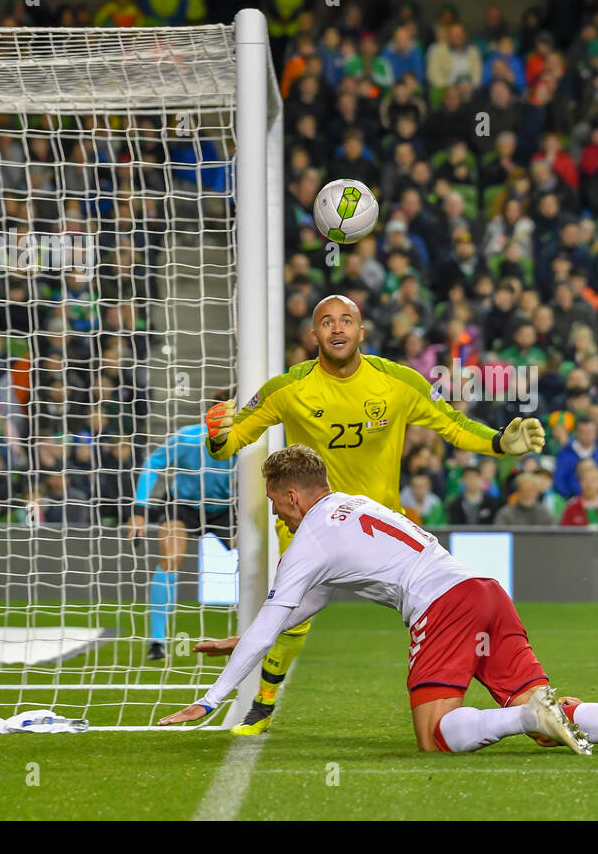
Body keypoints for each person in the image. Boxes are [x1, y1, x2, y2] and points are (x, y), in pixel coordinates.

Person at [158, 446, 598, 756]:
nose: (276, 512)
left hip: (443, 607)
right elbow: (310, 600)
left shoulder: (308, 537)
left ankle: (526, 714)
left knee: (434, 734)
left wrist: (210, 700)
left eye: (276, 503)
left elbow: (279, 612)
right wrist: (256, 633)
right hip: (487, 593)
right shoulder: (352, 505)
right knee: (550, 722)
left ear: (293, 495)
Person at [204, 295, 546, 734]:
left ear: (362, 331)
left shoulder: (397, 382)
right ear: (314, 335)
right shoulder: (287, 389)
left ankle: (500, 687)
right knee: (291, 615)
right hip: (308, 520)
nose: (337, 328)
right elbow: (233, 441)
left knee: (434, 603)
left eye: (347, 320)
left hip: (380, 525)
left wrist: (499, 442)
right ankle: (264, 703)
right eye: (327, 322)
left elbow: (452, 424)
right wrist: (218, 436)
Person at [128, 415, 234, 660]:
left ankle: (259, 636)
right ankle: (157, 642)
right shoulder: (188, 437)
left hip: (225, 507)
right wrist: (139, 510)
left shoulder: (247, 440)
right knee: (172, 557)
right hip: (182, 505)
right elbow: (153, 461)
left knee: (254, 559)